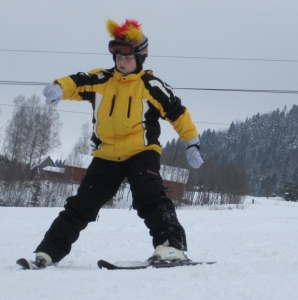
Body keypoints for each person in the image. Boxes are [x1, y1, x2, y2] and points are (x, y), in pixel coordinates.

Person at [33, 18, 204, 268]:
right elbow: (77, 82)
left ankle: (171, 247)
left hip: (141, 152)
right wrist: (59, 87)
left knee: (149, 196)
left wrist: (191, 142)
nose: (122, 62)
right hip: (106, 155)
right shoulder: (101, 80)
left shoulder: (151, 86)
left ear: (141, 58)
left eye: (128, 58)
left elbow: (178, 114)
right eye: (118, 57)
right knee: (82, 205)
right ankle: (47, 253)